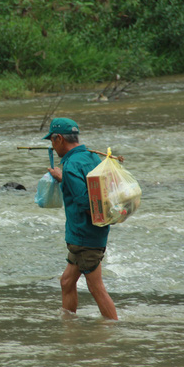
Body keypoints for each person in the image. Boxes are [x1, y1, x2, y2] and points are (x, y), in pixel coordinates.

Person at [43, 117, 118, 320]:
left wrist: (65, 177)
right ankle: (69, 325)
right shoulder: (92, 157)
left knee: (96, 288)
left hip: (85, 237)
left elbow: (85, 202)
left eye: (52, 140)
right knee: (66, 282)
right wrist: (64, 178)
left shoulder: (70, 166)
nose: (52, 145)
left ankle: (114, 330)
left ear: (59, 138)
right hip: (87, 235)